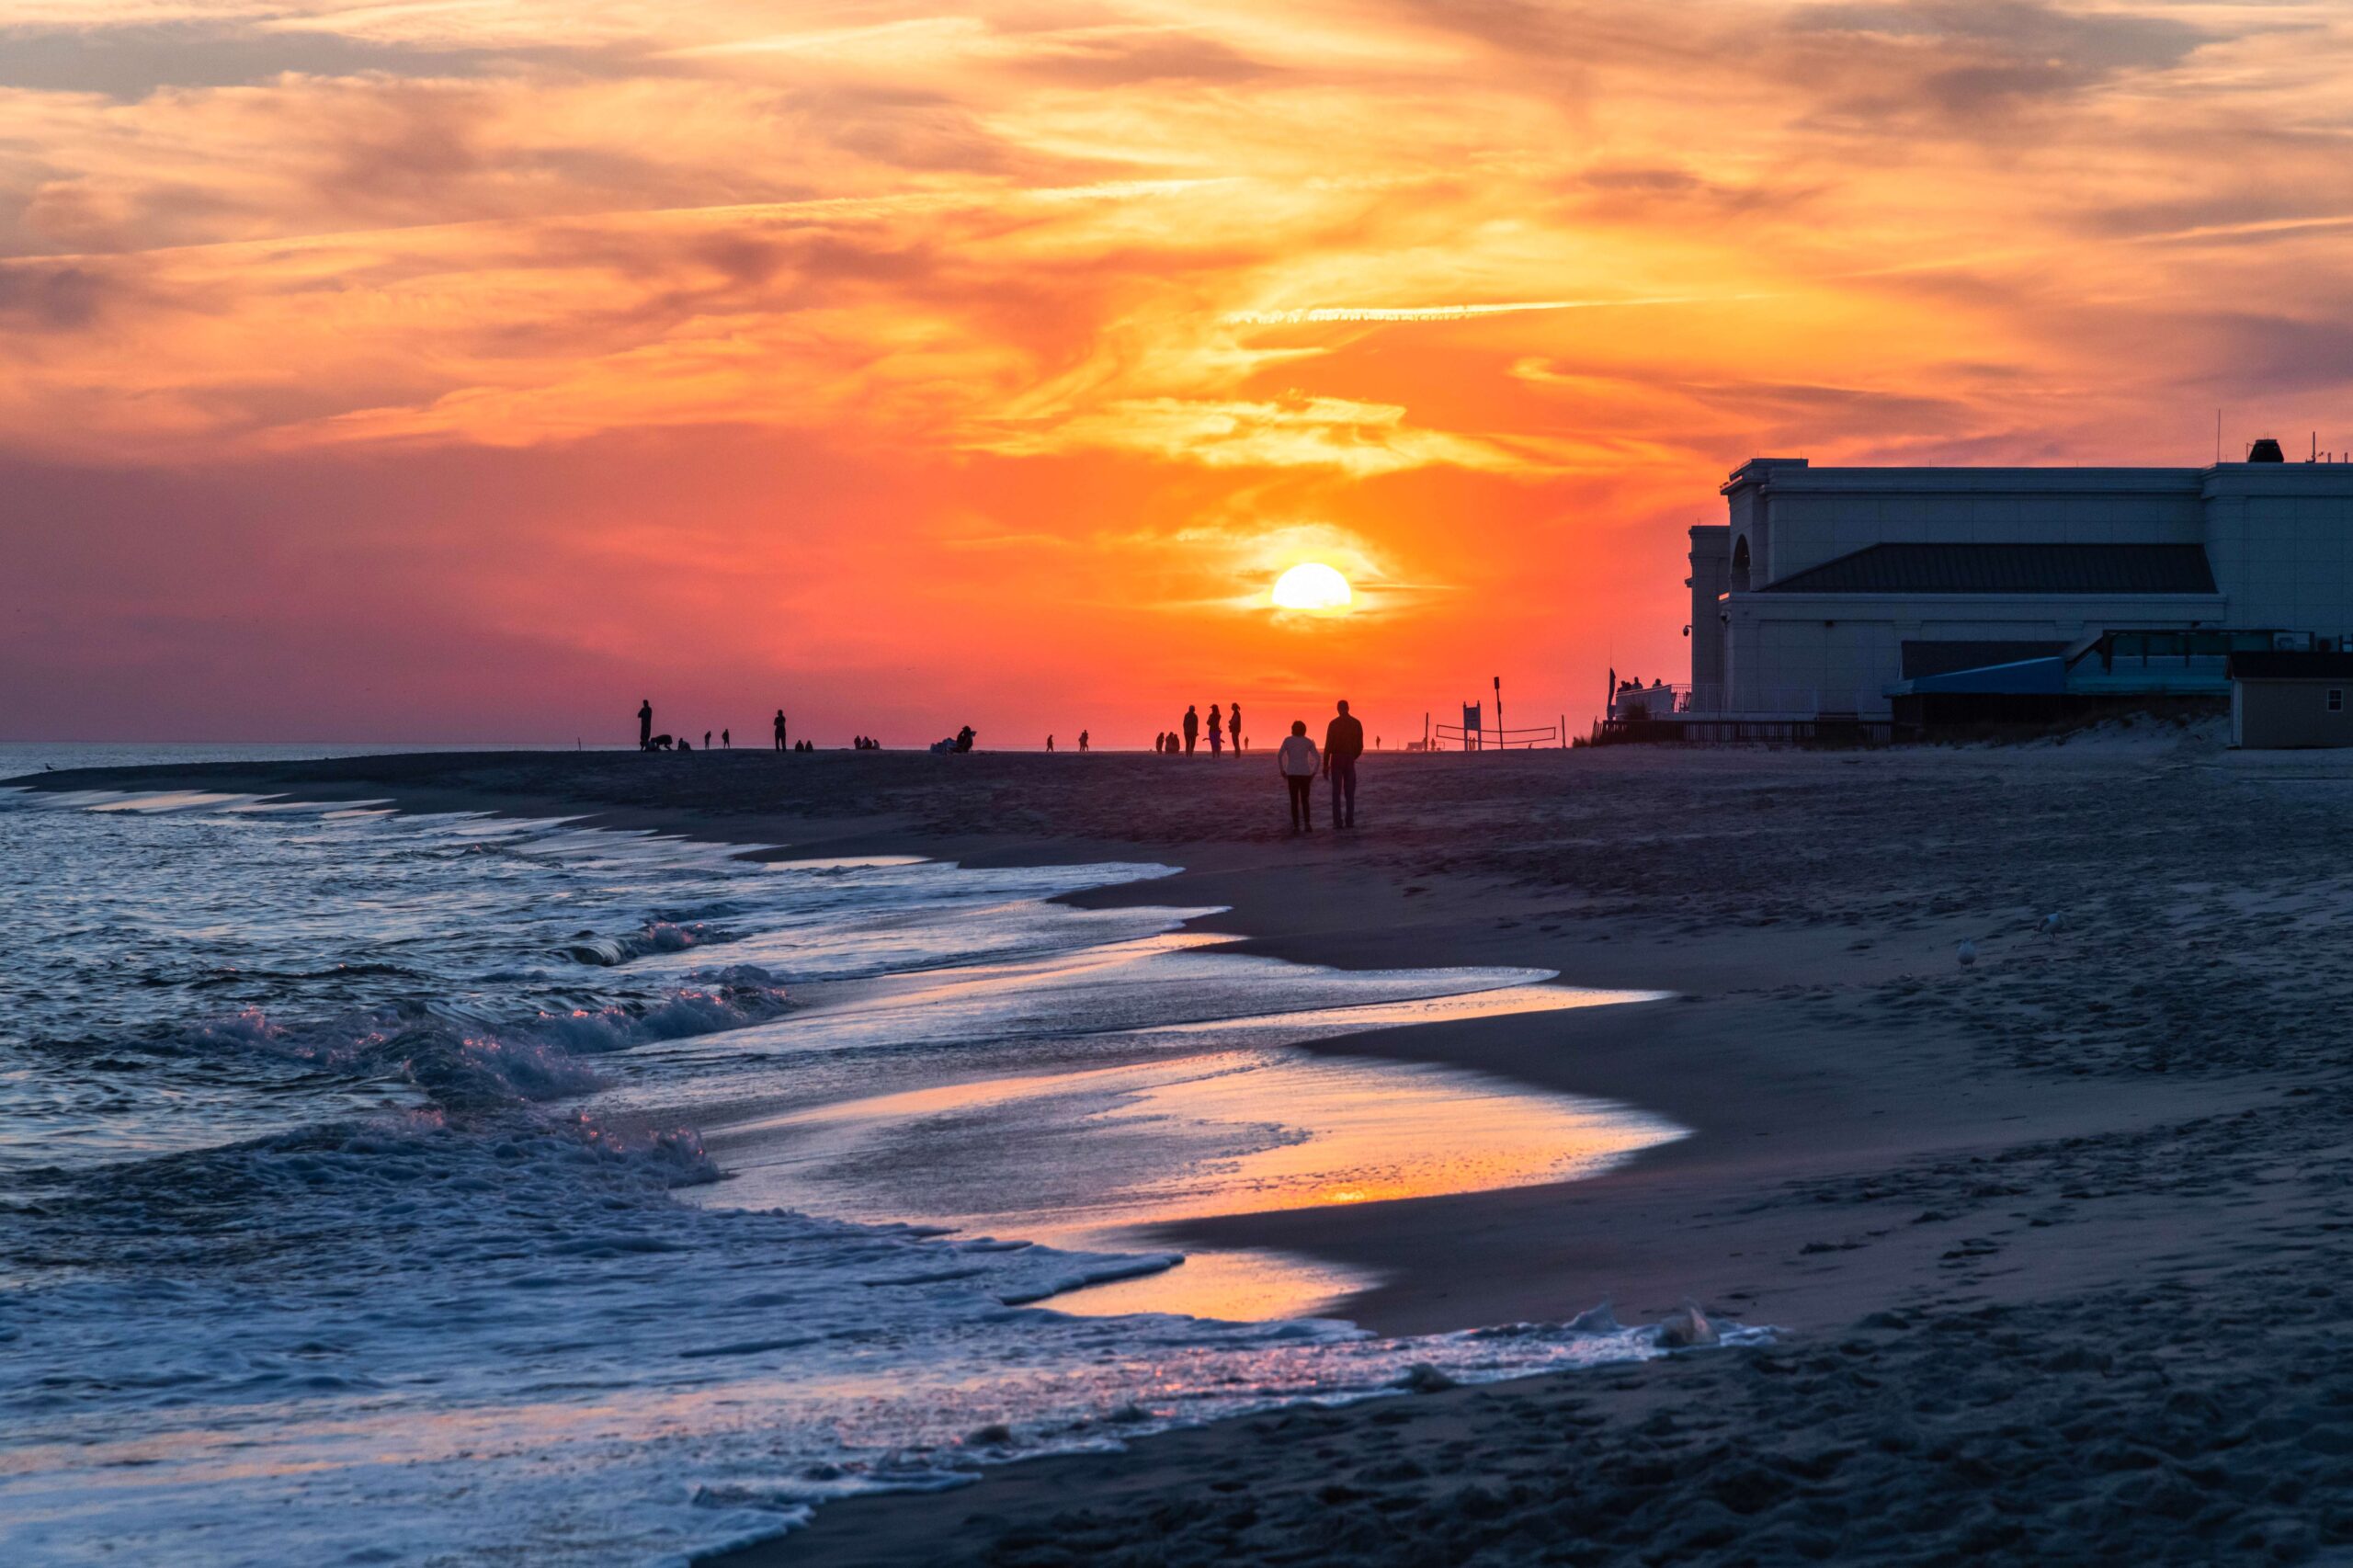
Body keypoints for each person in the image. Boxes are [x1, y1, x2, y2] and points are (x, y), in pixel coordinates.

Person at [1323, 699, 1364, 828]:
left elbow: (1328, 745)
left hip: (1337, 758)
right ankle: (1349, 820)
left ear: (1338, 709)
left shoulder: (1333, 724)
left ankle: (1337, 822)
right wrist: (1353, 756)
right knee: (1349, 792)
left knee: (1336, 792)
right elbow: (1360, 745)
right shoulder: (1356, 723)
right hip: (1349, 757)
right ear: (1348, 708)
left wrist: (1325, 764)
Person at [1278, 720, 1319, 834]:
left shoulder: (1288, 740)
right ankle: (1307, 823)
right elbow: (1318, 758)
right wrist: (1314, 772)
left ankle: (1296, 826)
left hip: (1292, 773)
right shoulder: (1308, 742)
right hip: (1305, 773)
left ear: (1293, 730)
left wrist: (1282, 770)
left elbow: (1279, 755)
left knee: (1294, 800)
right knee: (1305, 799)